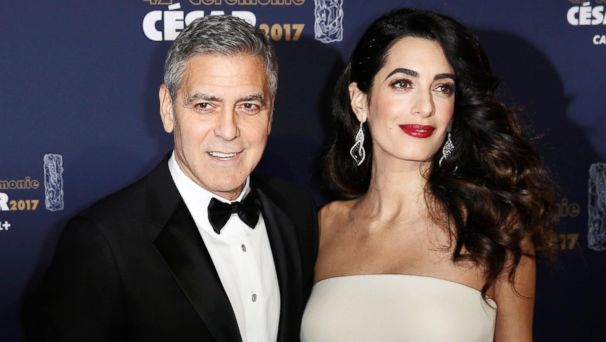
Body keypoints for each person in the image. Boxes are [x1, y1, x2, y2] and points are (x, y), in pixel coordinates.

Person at [25, 15, 318, 342]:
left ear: (270, 113)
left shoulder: (296, 211)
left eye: (248, 105)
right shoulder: (102, 242)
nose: (228, 130)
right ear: (168, 108)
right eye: (205, 105)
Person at [301, 8, 558, 342]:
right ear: (360, 100)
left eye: (442, 88)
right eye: (403, 83)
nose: (425, 107)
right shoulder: (322, 227)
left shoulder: (495, 229)